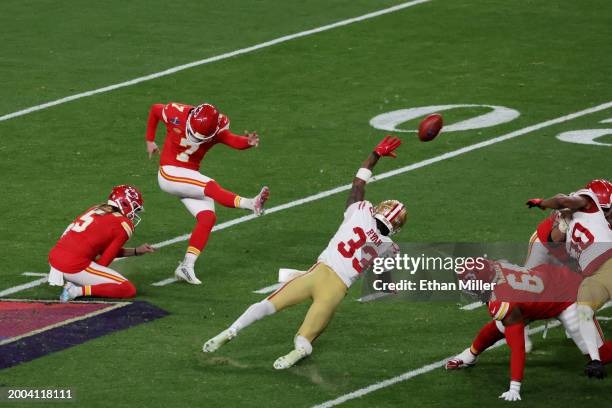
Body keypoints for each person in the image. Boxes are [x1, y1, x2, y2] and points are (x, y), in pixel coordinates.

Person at [202, 136, 405, 369]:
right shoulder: (388, 248)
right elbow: (386, 282)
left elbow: (358, 184)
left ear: (378, 210)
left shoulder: (360, 210)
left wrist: (375, 155)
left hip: (316, 274)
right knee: (304, 339)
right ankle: (296, 352)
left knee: (266, 305)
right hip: (336, 290)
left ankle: (231, 330)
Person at [447, 260, 612, 401]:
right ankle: (470, 355)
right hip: (545, 285)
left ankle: (472, 355)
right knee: (501, 324)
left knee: (600, 356)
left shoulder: (505, 300)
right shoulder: (494, 268)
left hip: (569, 295)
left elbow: (518, 346)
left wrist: (515, 386)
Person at [145, 102, 269, 284]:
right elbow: (155, 109)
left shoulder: (219, 126)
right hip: (169, 172)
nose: (195, 137)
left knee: (207, 218)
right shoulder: (176, 113)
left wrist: (247, 142)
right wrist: (150, 140)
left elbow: (231, 139)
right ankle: (251, 203)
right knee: (210, 186)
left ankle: (186, 266)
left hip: (189, 176)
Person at [526, 179, 612, 378]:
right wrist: (559, 219)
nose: (608, 214)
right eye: (605, 209)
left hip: (579, 259)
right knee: (527, 292)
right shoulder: (577, 206)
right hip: (548, 248)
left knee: (579, 303)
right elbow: (552, 239)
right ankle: (517, 326)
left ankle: (590, 348)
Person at [48, 185, 155, 302]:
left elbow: (99, 248)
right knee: (127, 289)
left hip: (54, 258)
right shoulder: (123, 224)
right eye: (135, 207)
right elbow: (104, 261)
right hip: (73, 266)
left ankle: (75, 281)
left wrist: (135, 251)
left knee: (90, 260)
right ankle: (75, 291)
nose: (135, 212)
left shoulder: (97, 208)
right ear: (124, 203)